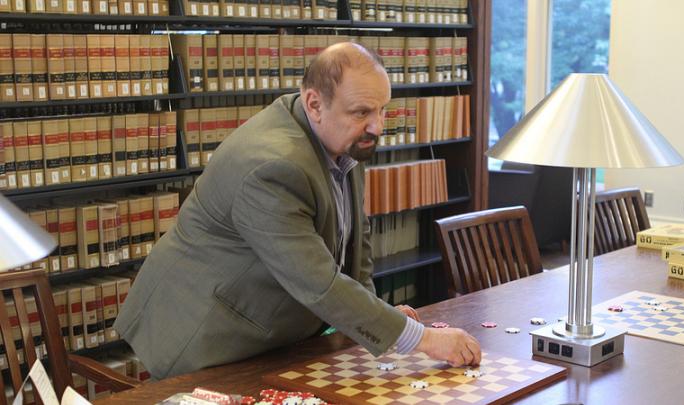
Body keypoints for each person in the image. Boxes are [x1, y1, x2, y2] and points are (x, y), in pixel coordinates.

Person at [114, 42, 481, 379]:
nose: (377, 126)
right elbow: (318, 282)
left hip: (270, 332)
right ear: (314, 104)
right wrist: (423, 340)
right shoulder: (273, 167)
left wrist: (377, 317)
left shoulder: (342, 135)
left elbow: (356, 243)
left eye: (382, 109)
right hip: (202, 333)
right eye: (363, 112)